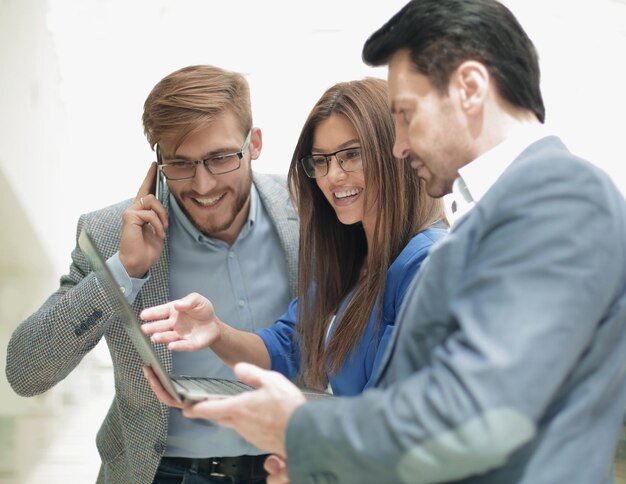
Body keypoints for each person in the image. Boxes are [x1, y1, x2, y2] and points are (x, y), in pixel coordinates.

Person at [171, 2, 626, 483]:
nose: (399, 145)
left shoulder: (559, 196)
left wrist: (303, 431)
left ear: (470, 89)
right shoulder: (484, 219)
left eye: (406, 115)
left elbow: (470, 414)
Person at [5, 65, 300, 483]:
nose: (202, 185)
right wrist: (124, 271)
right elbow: (26, 371)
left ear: (254, 144)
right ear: (158, 160)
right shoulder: (111, 234)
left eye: (219, 158)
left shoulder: (307, 212)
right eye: (180, 163)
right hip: (165, 473)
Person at [140, 77, 447, 400]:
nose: (332, 176)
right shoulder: (353, 258)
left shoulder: (428, 265)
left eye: (352, 155)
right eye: (322, 160)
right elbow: (288, 347)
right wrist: (216, 331)